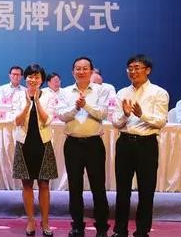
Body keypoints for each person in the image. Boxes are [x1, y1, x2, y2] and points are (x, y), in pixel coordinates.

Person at [111, 54, 169, 237]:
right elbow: (116, 122)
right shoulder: (122, 93)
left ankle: (142, 231)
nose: (133, 72)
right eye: (130, 68)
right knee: (122, 190)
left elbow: (161, 121)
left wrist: (141, 114)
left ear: (147, 70)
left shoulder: (159, 93)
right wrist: (125, 115)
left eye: (137, 68)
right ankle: (120, 230)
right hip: (125, 143)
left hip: (146, 144)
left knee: (146, 190)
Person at [56, 57, 110, 237]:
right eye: (78, 68)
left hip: (94, 144)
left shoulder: (101, 90)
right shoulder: (65, 92)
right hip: (73, 144)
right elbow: (62, 115)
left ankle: (101, 227)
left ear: (91, 71)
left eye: (85, 68)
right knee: (75, 187)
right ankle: (77, 226)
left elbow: (103, 114)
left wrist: (85, 105)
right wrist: (75, 108)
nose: (81, 71)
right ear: (73, 72)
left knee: (98, 187)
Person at [12, 63, 58, 237]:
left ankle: (45, 222)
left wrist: (37, 101)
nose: (33, 80)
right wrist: (27, 104)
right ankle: (30, 221)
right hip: (24, 144)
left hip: (43, 144)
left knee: (44, 184)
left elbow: (47, 120)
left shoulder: (49, 96)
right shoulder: (18, 95)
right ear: (26, 78)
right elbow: (17, 121)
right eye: (30, 76)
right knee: (27, 184)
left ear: (42, 79)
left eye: (36, 77)